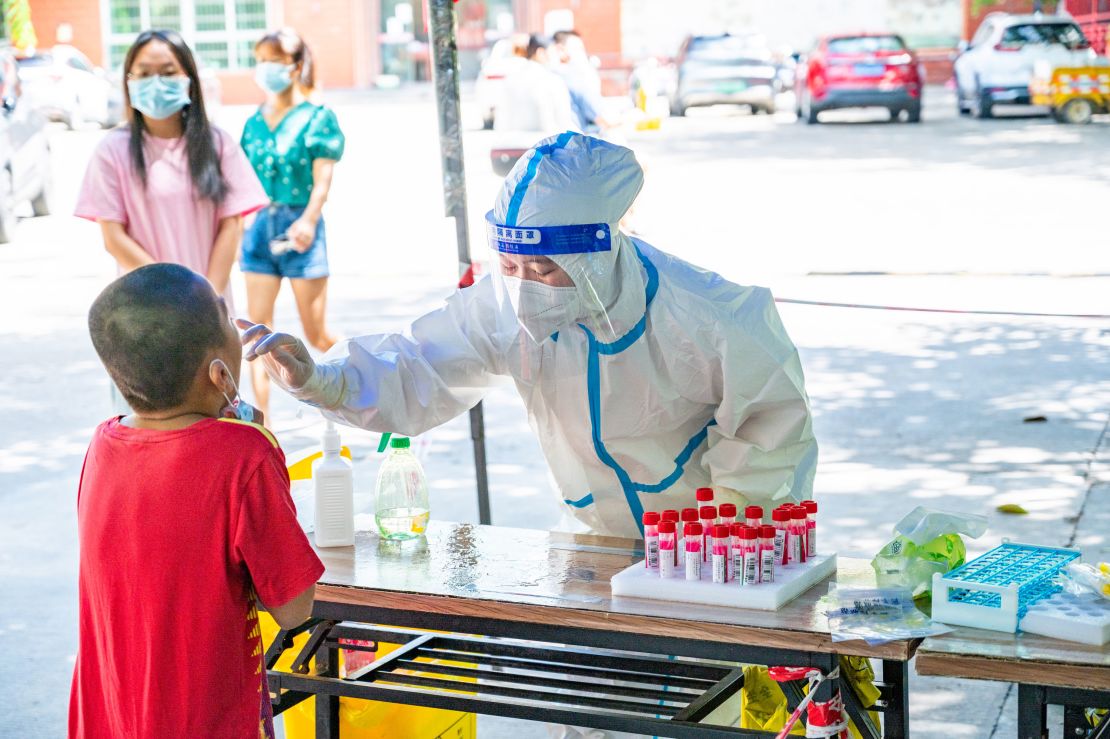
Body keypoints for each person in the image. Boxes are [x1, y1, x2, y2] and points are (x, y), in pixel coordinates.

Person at [240, 132, 817, 541]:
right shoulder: (502, 304)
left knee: (710, 707)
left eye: (545, 269)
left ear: (599, 250)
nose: (527, 287)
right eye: (514, 267)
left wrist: (727, 534)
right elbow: (420, 368)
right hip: (592, 542)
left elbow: (771, 432)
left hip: (709, 549)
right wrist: (324, 380)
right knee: (587, 710)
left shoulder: (711, 315)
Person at [70, 263, 323, 739]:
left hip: (111, 713)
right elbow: (294, 607)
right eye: (227, 318)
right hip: (203, 718)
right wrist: (260, 444)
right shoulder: (244, 455)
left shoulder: (102, 445)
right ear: (221, 373)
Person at [74, 29, 268, 308]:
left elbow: (231, 226)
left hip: (210, 308)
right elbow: (114, 238)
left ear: (188, 80)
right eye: (143, 73)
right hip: (147, 306)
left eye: (167, 73)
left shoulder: (217, 144)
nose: (156, 83)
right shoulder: (111, 150)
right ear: (129, 81)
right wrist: (172, 293)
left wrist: (205, 297)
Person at [239, 28, 345, 420]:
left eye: (275, 60)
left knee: (317, 335)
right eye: (260, 59)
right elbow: (242, 182)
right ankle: (263, 425)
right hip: (258, 228)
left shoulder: (318, 117)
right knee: (256, 334)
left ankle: (370, 384)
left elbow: (323, 180)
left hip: (302, 225)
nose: (265, 67)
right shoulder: (253, 122)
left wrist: (308, 220)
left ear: (296, 66)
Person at [494, 34, 580, 136]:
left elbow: (500, 123)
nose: (557, 56)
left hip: (509, 146)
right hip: (543, 147)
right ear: (541, 52)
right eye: (553, 51)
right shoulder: (552, 81)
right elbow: (564, 123)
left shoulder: (509, 80)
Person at [551, 30, 613, 132]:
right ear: (561, 50)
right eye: (578, 49)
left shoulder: (544, 74)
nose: (583, 54)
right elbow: (603, 119)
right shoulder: (571, 76)